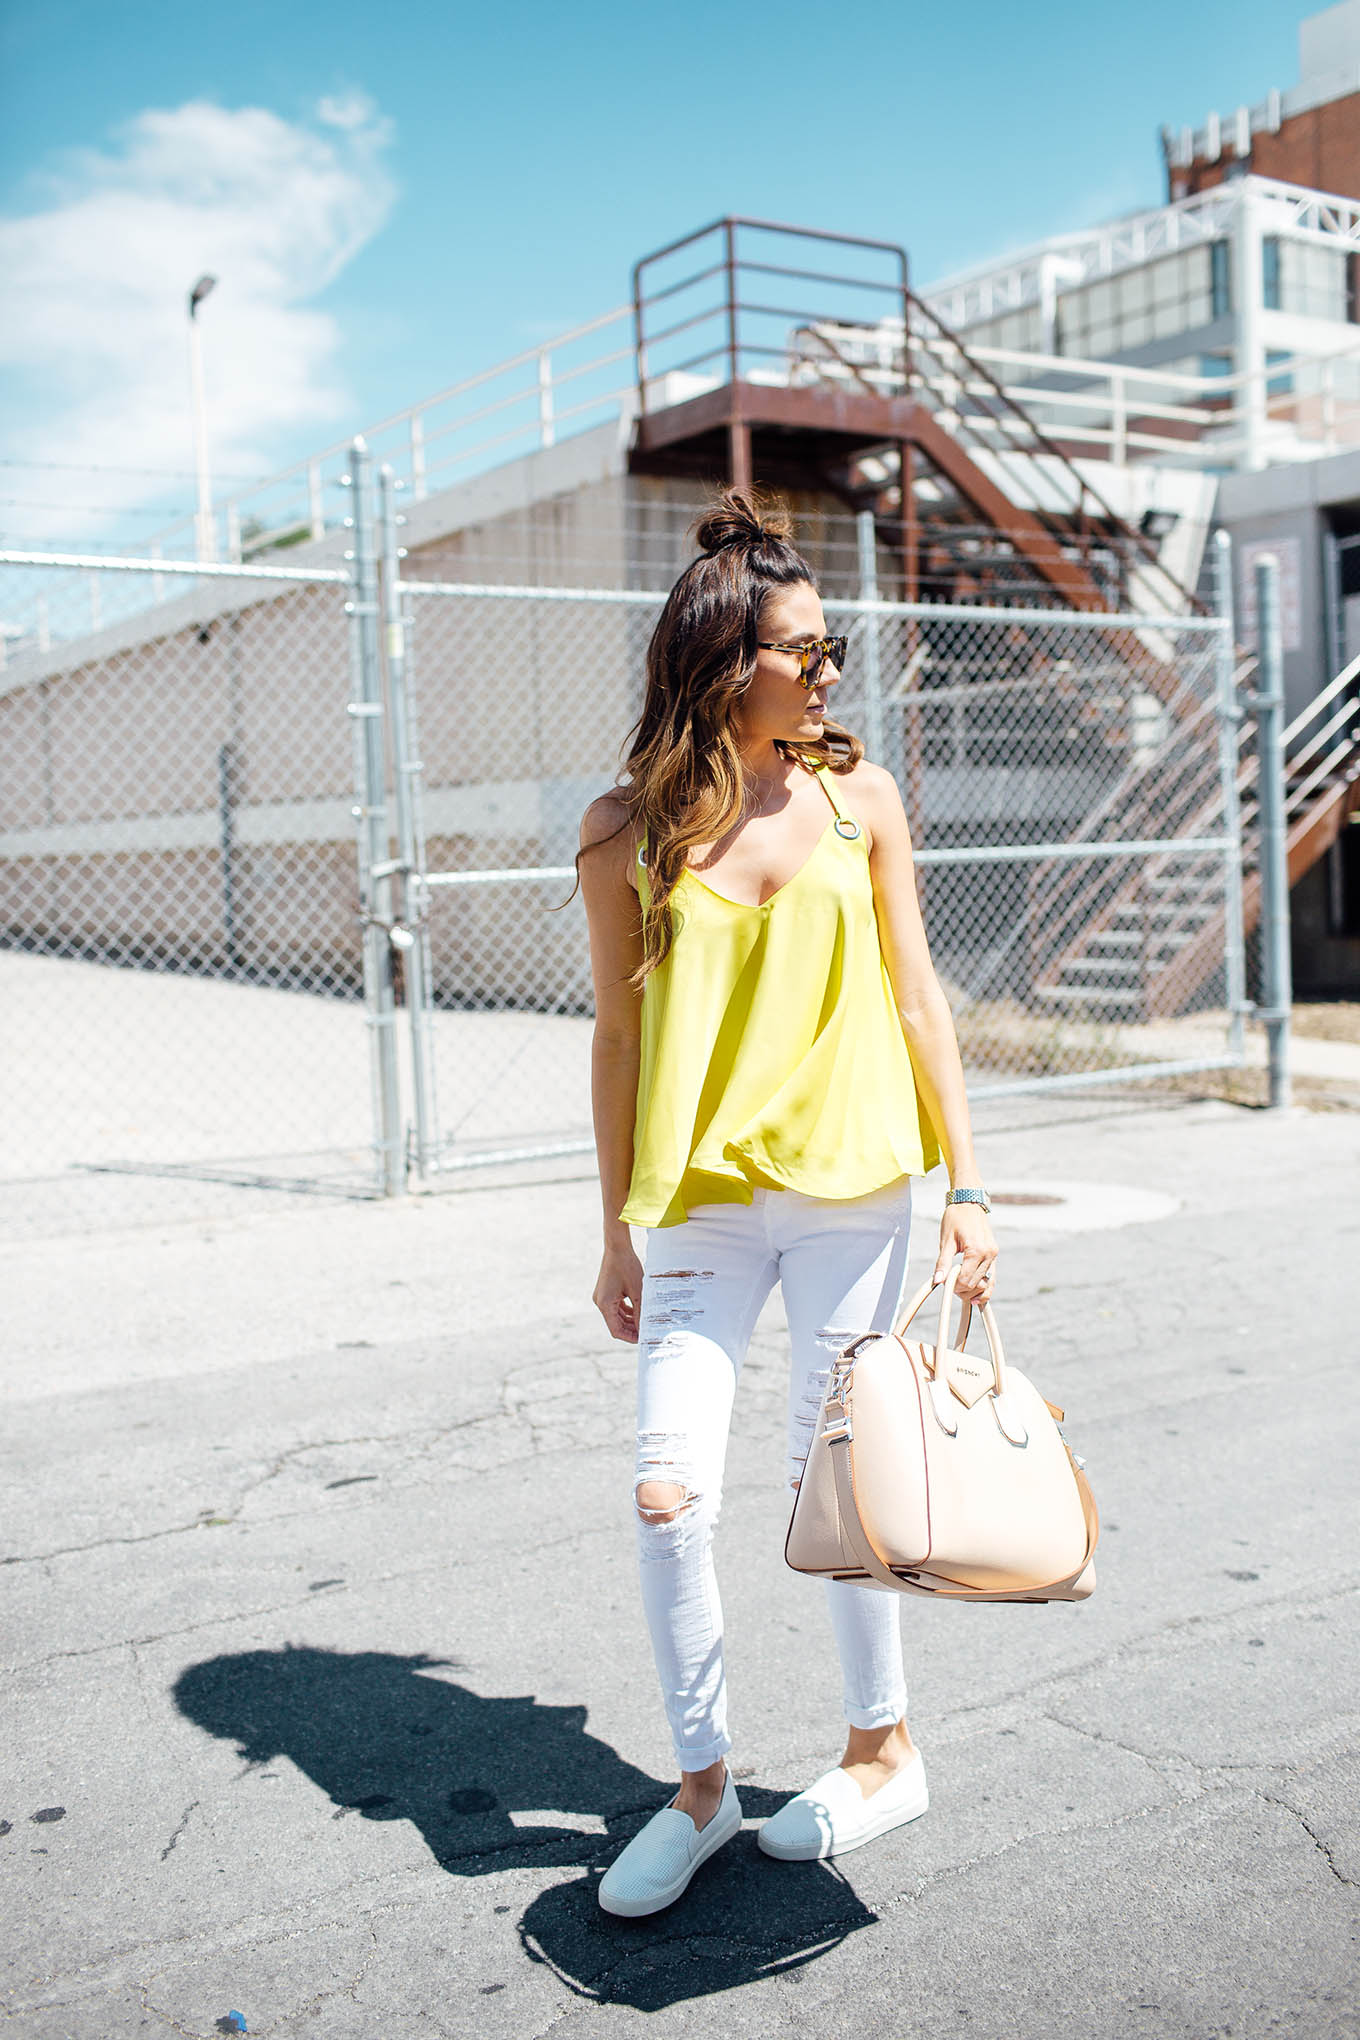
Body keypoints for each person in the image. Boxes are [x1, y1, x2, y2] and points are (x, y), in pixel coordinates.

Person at [574, 489, 997, 1919]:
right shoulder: (626, 830)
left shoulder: (856, 797)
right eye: (804, 653)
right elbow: (619, 1038)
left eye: (829, 649)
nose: (830, 672)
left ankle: (882, 1752)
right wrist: (611, 1225)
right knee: (665, 1495)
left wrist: (970, 1186)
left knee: (847, 1488)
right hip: (697, 1202)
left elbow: (920, 996)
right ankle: (702, 1789)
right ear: (722, 667)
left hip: (859, 1189)